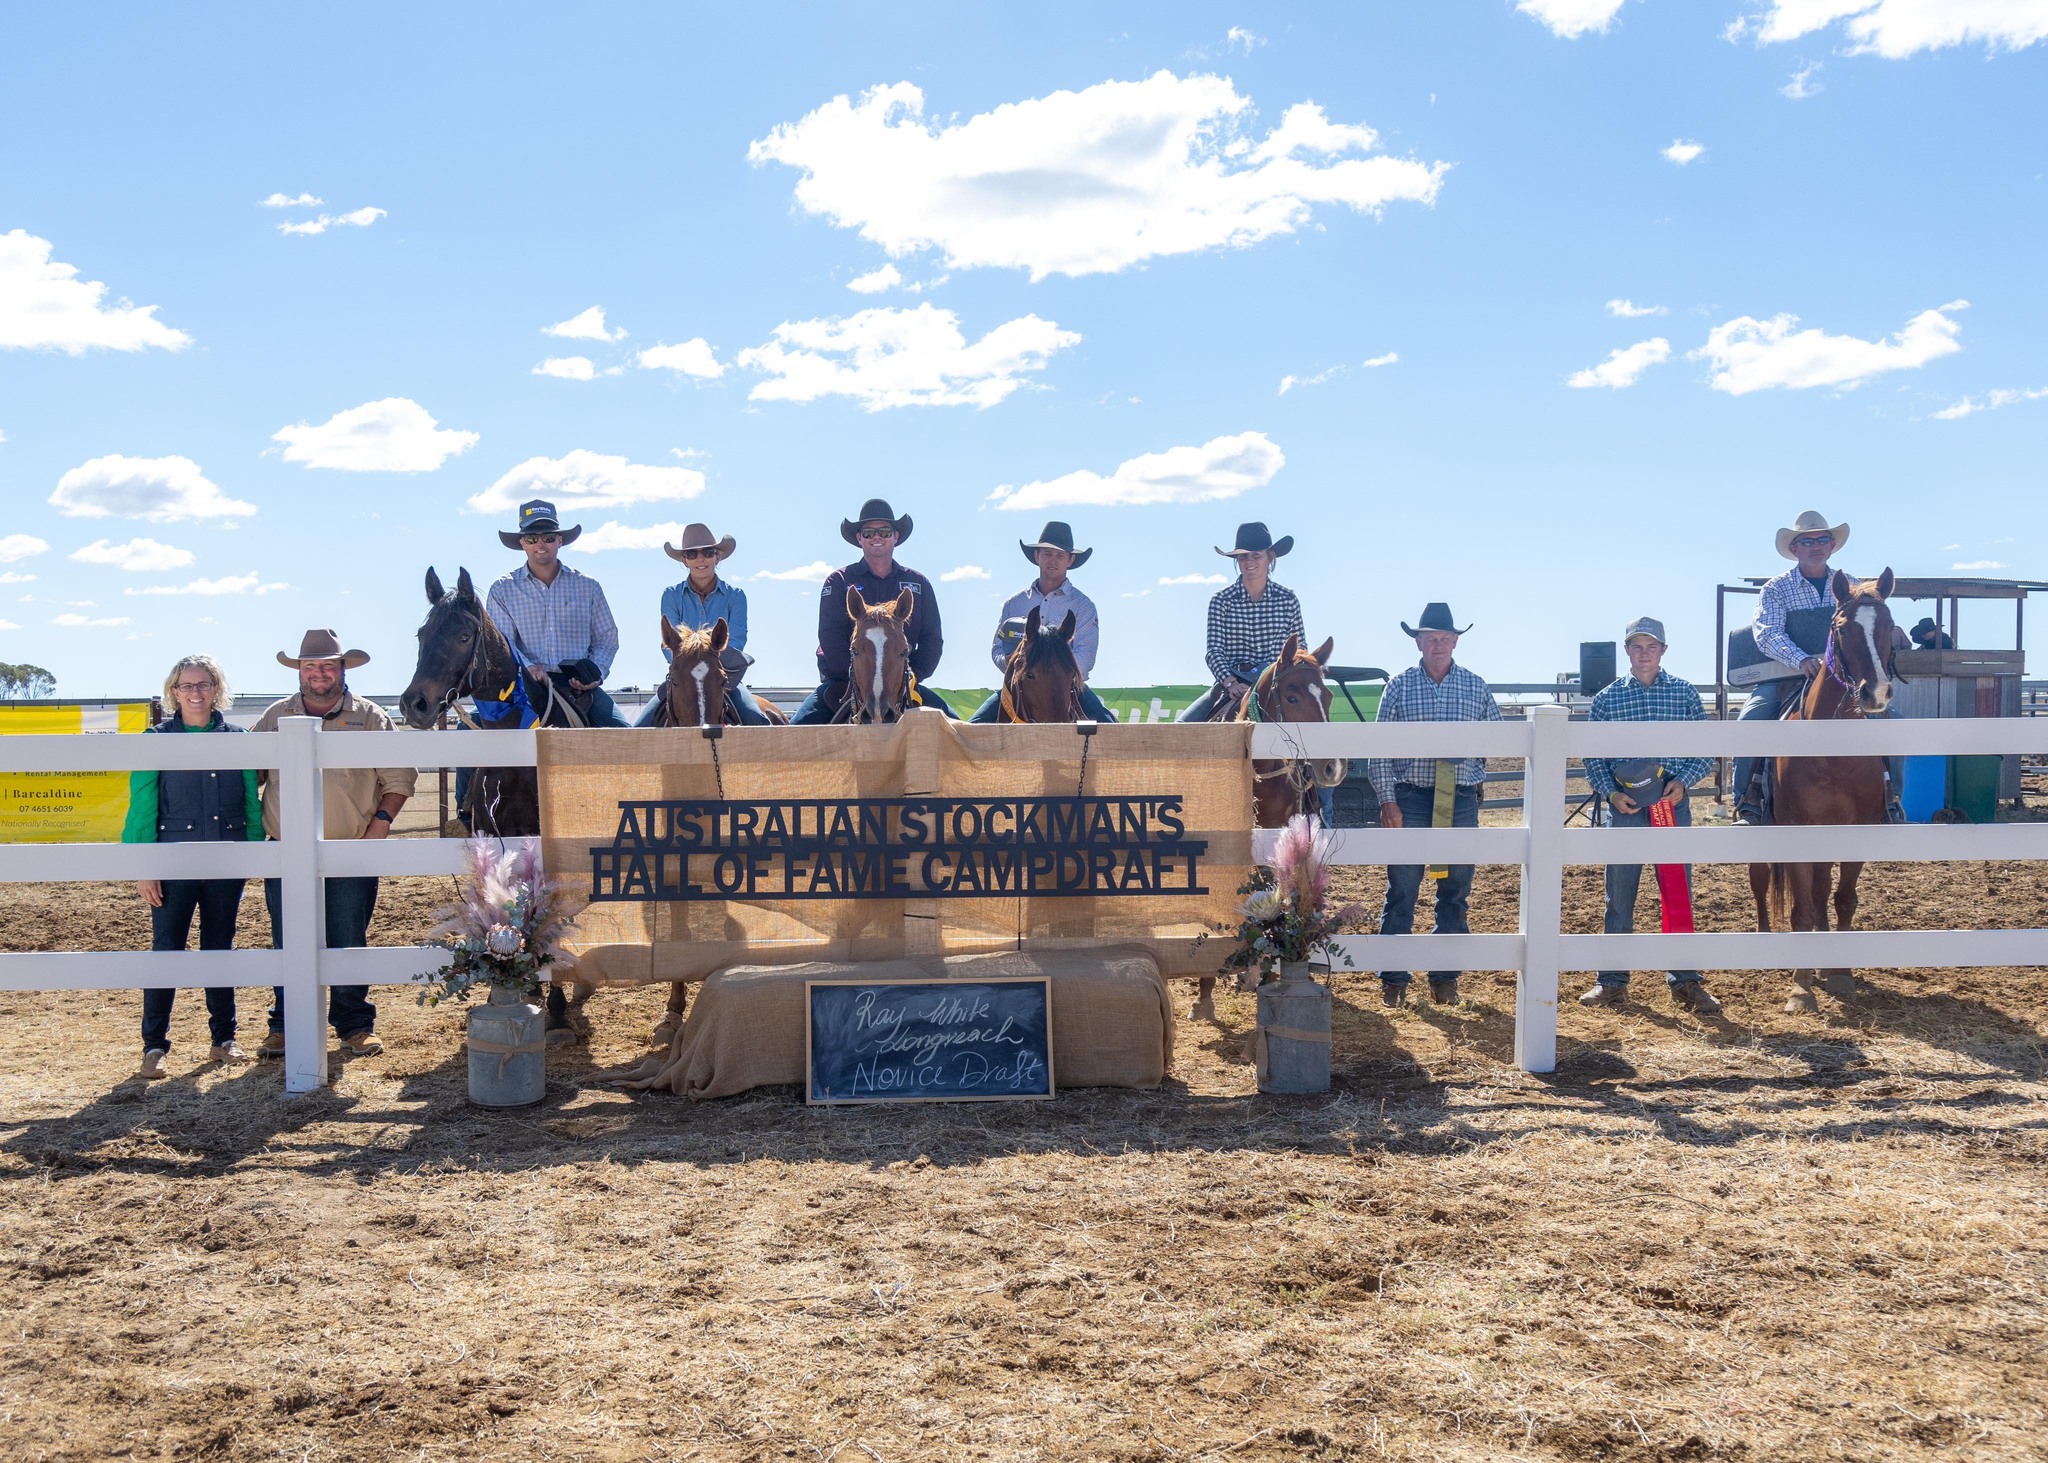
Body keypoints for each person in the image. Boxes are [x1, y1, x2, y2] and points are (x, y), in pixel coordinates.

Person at [251, 630, 416, 1059]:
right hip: (286, 848)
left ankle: (354, 1025)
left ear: (342, 669)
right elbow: (248, 773)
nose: (319, 673)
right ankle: (285, 1025)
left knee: (348, 937)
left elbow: (399, 776)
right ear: (299, 671)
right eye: (310, 666)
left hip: (350, 847)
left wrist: (380, 825)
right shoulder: (275, 715)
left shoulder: (371, 716)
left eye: (327, 665)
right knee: (287, 939)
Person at [123, 654, 264, 1077]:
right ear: (175, 691)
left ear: (216, 689)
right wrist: (145, 866)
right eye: (187, 685)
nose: (196, 693)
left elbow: (250, 803)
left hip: (227, 860)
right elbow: (143, 805)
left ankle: (224, 1039)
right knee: (166, 949)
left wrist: (254, 852)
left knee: (220, 947)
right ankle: (154, 1046)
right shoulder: (155, 739)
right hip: (172, 863)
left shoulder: (239, 738)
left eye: (204, 684)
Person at [1578, 617, 1722, 1014]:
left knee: (1677, 890)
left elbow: (1703, 748)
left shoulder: (1684, 693)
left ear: (1663, 651)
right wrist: (1610, 792)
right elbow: (1593, 756)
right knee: (1619, 890)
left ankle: (1685, 980)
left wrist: (1684, 783)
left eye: (1651, 646)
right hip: (1626, 803)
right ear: (1627, 650)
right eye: (1637, 646)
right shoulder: (1607, 699)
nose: (1644, 653)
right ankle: (1611, 981)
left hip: (1670, 801)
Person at [1366, 602, 1503, 1007]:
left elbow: (1498, 739)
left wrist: (1469, 766)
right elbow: (1378, 749)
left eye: (1444, 638)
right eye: (1430, 638)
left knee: (1455, 889)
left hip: (1457, 797)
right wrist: (1388, 800)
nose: (1438, 644)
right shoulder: (1399, 686)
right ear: (1419, 642)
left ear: (1455, 641)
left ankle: (1445, 978)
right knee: (1403, 887)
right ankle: (1394, 978)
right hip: (1410, 795)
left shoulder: (1476, 686)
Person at [1733, 510, 1902, 824]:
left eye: (1822, 539)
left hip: (1842, 678)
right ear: (1794, 548)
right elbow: (1767, 632)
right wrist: (1801, 659)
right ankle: (1749, 800)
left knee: (1895, 721)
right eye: (1807, 541)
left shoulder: (1853, 586)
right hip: (1786, 675)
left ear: (1832, 545)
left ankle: (1890, 798)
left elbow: (1868, 628)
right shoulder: (1776, 588)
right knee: (1751, 721)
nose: (1815, 546)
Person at [791, 498, 948, 724]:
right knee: (796, 730)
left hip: (904, 684)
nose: (876, 537)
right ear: (859, 538)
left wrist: (910, 676)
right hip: (842, 684)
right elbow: (830, 637)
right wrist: (855, 674)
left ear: (895, 536)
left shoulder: (919, 584)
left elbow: (932, 640)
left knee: (959, 732)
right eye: (868, 532)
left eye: (884, 532)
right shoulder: (839, 581)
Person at [484, 498, 626, 728]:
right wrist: (529, 667)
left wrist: (594, 673)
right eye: (532, 538)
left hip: (577, 686)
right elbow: (502, 642)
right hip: (523, 685)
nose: (541, 544)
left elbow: (607, 637)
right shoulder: (503, 589)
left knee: (625, 736)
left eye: (549, 538)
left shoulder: (588, 586)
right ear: (523, 543)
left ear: (560, 541)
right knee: (468, 730)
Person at [970, 520, 1114, 723]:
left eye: (1060, 555)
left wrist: (1055, 676)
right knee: (973, 728)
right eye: (1047, 554)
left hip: (1070, 689)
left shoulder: (1083, 606)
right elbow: (997, 649)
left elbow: (1086, 655)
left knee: (1108, 727)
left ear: (1070, 560)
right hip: (1019, 688)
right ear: (1037, 556)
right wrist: (1016, 668)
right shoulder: (1014, 603)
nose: (1053, 560)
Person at [633, 522, 773, 726]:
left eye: (707, 552)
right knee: (638, 730)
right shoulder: (671, 595)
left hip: (720, 675)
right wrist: (687, 664)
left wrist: (710, 663)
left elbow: (736, 640)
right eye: (692, 554)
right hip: (682, 676)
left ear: (718, 557)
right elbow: (669, 642)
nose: (700, 559)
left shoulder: (735, 596)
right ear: (684, 560)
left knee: (756, 719)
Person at [1175, 523, 1305, 724]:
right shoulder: (1222, 600)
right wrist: (1230, 683)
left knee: (1313, 721)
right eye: (1243, 556)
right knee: (1182, 726)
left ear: (1270, 557)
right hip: (1232, 683)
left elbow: (1300, 649)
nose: (1249, 561)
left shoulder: (1288, 599)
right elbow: (1214, 651)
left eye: (1256, 555)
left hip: (1276, 683)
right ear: (1237, 560)